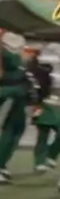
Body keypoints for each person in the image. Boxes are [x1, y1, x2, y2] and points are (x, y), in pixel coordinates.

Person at [0, 31, 30, 183]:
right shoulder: (9, 54)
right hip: (10, 91)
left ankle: (2, 163)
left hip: (15, 92)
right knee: (12, 129)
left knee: (15, 128)